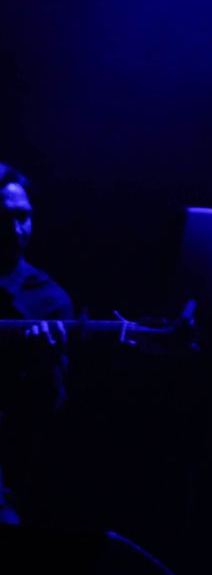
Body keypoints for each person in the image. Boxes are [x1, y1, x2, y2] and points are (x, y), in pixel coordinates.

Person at [0, 162, 73, 526]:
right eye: (3, 218)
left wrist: (41, 366)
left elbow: (50, 410)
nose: (16, 230)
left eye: (24, 217)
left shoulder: (49, 301)